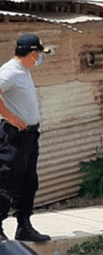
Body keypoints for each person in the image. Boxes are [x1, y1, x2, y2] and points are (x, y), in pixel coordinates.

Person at [0, 34, 52, 242]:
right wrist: (10, 117)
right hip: (14, 137)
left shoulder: (23, 71)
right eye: (38, 53)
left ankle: (24, 227)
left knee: (28, 182)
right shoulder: (10, 71)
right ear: (32, 54)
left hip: (29, 136)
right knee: (6, 182)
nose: (39, 58)